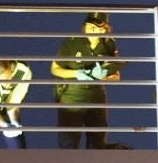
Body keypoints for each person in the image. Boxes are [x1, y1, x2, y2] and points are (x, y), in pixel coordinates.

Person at [50, 12, 124, 149]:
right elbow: (55, 68)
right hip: (72, 95)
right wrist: (77, 73)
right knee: (69, 142)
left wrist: (103, 76)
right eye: (89, 27)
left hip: (96, 95)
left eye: (97, 28)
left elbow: (116, 76)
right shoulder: (72, 43)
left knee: (97, 140)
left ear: (104, 29)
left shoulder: (109, 44)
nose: (92, 31)